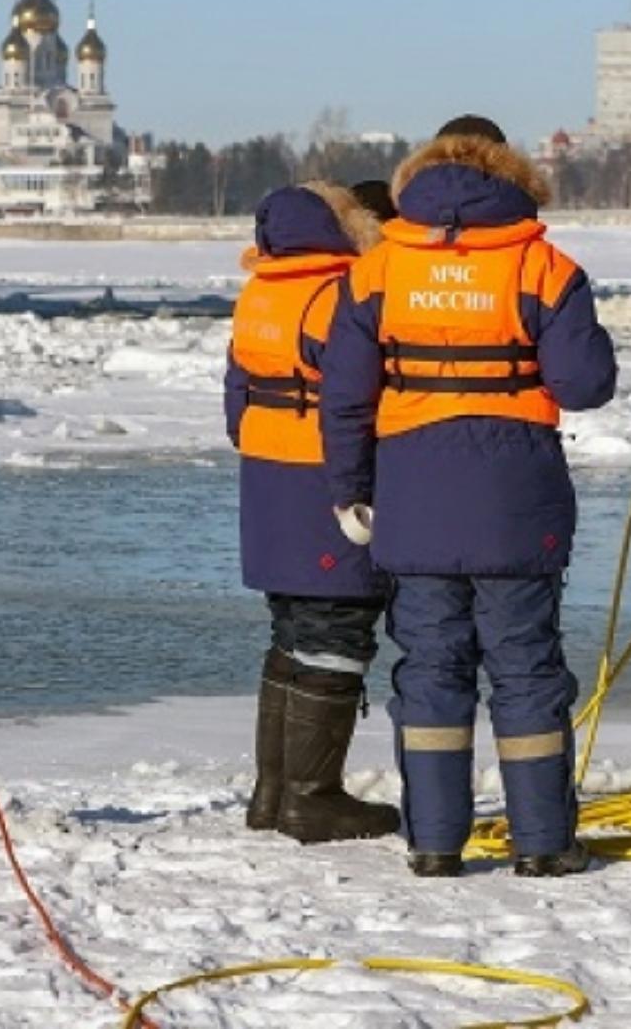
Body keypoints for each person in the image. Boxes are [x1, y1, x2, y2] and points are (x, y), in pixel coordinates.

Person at [320, 116, 618, 877]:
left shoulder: (377, 271)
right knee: (525, 669)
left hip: (414, 499)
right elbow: (586, 386)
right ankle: (545, 843)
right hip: (517, 501)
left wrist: (350, 488)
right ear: (511, 178)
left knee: (429, 669)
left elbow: (346, 397)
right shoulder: (543, 267)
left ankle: (434, 843)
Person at [225, 180, 401, 844]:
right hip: (323, 479)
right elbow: (354, 396)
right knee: (335, 628)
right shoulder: (341, 294)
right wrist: (358, 485)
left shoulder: (259, 291)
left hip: (266, 476)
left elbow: (235, 395)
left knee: (292, 629)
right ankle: (310, 796)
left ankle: (273, 791)